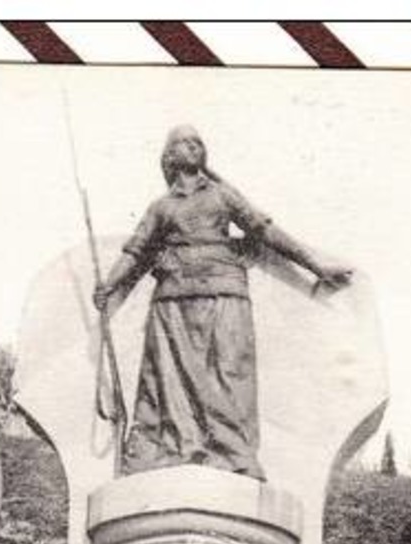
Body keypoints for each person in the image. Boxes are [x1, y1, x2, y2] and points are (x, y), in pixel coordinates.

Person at [93, 125, 352, 480]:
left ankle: (235, 453)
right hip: (173, 301)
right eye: (186, 142)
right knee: (168, 382)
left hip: (225, 293)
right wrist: (108, 285)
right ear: (169, 156)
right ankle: (178, 448)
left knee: (230, 375)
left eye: (199, 142)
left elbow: (265, 231)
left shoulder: (222, 196)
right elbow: (135, 252)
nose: (195, 146)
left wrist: (315, 266)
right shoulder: (161, 207)